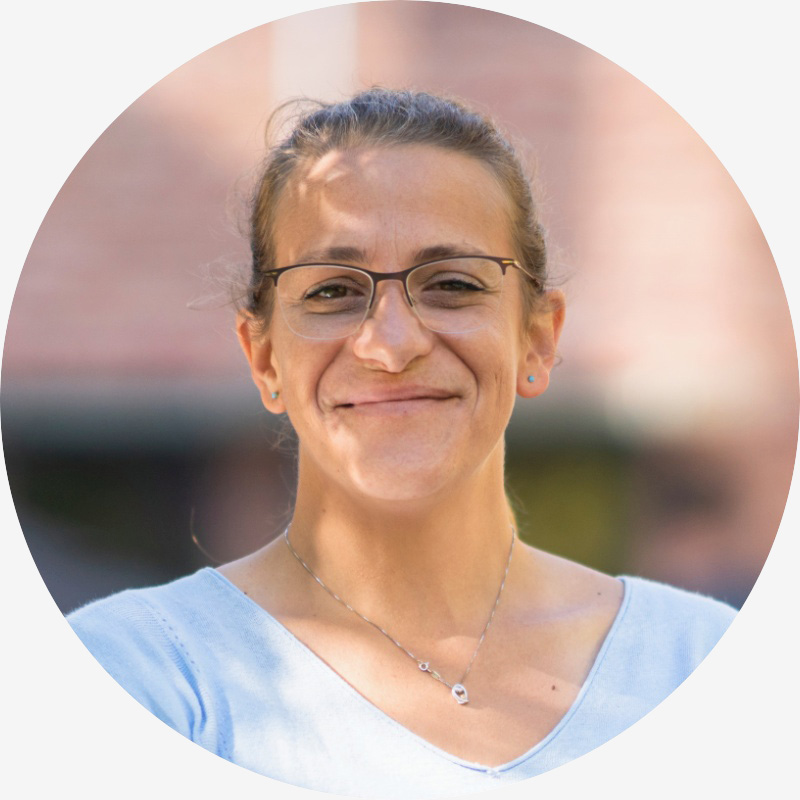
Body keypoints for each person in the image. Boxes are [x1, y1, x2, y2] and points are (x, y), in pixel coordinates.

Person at [68, 88, 735, 798]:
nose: (390, 344)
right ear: (264, 359)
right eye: (332, 291)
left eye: (452, 283)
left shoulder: (702, 663)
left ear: (538, 338)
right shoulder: (136, 677)